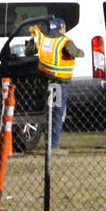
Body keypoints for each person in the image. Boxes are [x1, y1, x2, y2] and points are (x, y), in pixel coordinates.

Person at [27, 16, 83, 151]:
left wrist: (32, 38)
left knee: (47, 112)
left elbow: (29, 51)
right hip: (59, 83)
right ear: (62, 28)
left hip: (44, 82)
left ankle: (48, 143)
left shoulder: (44, 40)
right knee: (57, 114)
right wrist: (81, 52)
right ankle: (53, 146)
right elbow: (75, 52)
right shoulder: (64, 41)